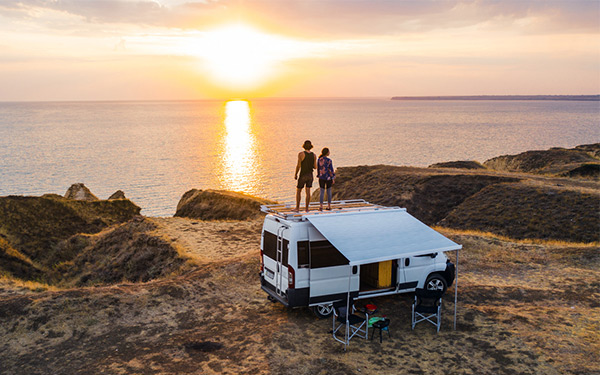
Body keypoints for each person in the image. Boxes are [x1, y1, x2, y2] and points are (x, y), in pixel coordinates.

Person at [294, 140, 317, 212]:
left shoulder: (301, 154)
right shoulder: (314, 155)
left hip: (303, 175)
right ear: (311, 146)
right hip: (310, 175)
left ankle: (297, 208)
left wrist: (295, 174)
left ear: (304, 146)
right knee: (308, 192)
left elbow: (298, 166)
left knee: (298, 191)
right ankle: (307, 209)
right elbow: (315, 167)